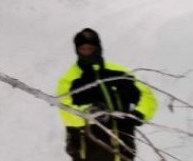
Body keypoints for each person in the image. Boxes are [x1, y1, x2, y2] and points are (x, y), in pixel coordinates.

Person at [56, 28, 157, 161]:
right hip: (87, 147)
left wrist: (138, 114)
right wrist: (90, 113)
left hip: (122, 146)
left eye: (90, 48)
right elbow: (66, 111)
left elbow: (147, 96)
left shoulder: (119, 72)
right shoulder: (69, 79)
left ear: (98, 48)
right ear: (77, 51)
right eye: (82, 49)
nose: (87, 53)